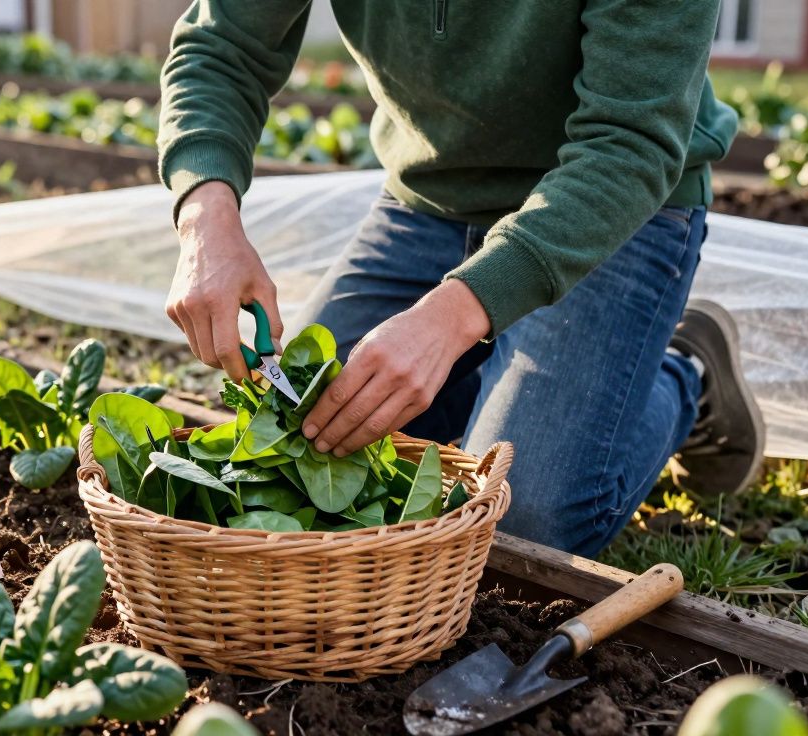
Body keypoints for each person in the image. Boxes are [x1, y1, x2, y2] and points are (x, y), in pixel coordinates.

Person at [157, 0, 765, 556]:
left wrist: (448, 319)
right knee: (304, 441)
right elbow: (222, 49)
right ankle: (494, 376)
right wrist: (206, 218)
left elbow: (630, 144)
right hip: (429, 207)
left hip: (609, 210)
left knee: (520, 521)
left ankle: (691, 372)